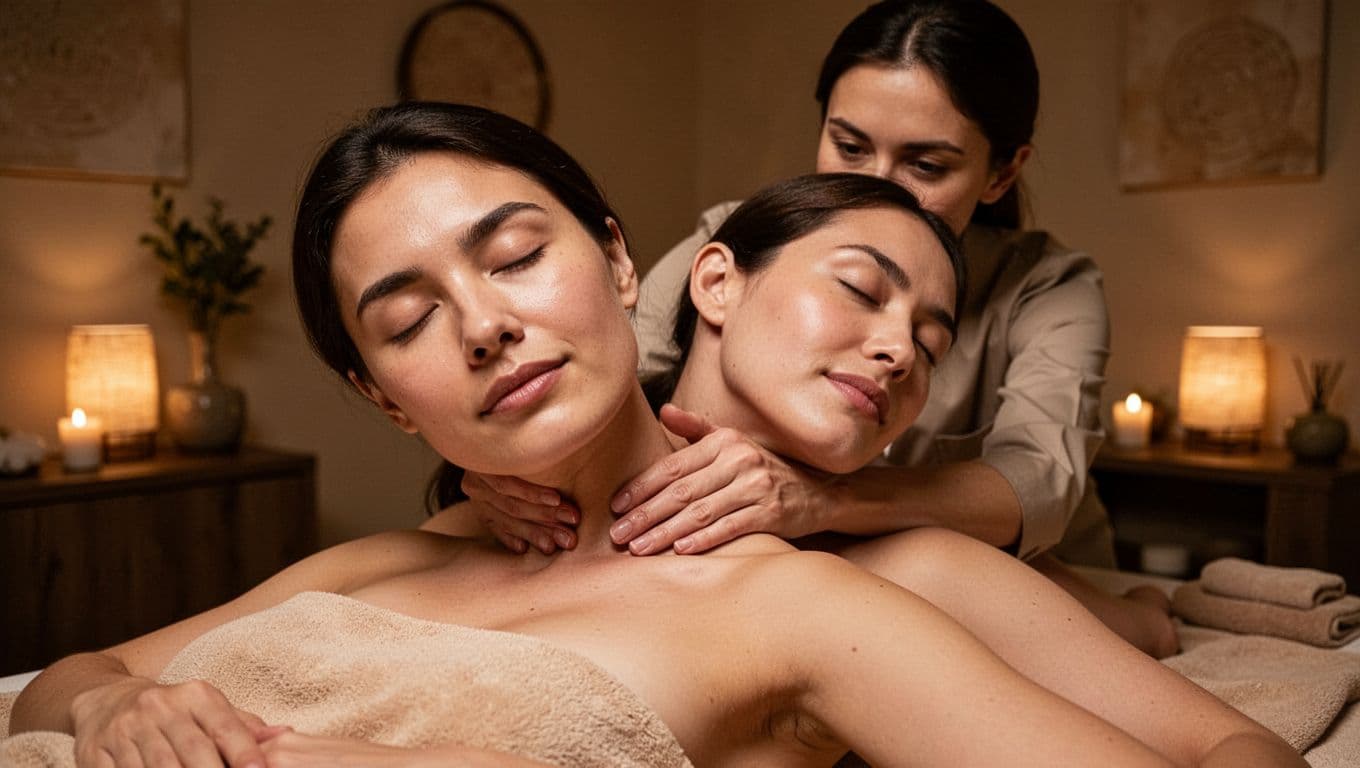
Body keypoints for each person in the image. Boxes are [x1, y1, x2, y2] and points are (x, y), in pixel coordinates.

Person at [8, 102, 1298, 768]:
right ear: (385, 398)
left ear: (619, 261)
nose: (485, 326)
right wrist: (118, 701)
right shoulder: (389, 558)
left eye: (518, 257)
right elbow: (68, 677)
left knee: (1108, 609)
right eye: (408, 320)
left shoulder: (821, 599)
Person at [449, 0, 1177, 657]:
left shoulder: (1046, 286)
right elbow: (600, 371)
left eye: (927, 164)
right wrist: (499, 468)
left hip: (1026, 561)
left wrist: (825, 500)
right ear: (717, 281)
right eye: (850, 146)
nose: (882, 185)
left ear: (1001, 173)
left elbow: (1039, 482)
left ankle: (1142, 614)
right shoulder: (746, 237)